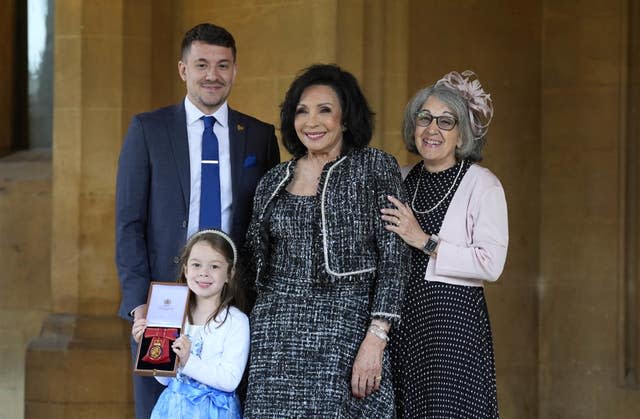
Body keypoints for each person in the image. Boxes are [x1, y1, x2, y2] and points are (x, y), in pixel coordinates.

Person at [115, 23, 279, 419]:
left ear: (235, 71)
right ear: (182, 69)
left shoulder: (258, 136)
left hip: (232, 299)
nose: (213, 75)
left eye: (223, 65)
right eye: (202, 64)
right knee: (161, 406)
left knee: (228, 403)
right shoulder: (148, 130)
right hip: (164, 301)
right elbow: (129, 223)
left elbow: (268, 224)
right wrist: (139, 303)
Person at [241, 64, 409, 417]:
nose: (311, 122)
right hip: (274, 339)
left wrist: (376, 338)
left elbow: (395, 259)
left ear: (346, 119)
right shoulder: (272, 180)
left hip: (345, 336)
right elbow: (252, 267)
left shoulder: (375, 168)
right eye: (301, 111)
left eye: (324, 110)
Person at [381, 70, 508, 418]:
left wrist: (424, 241)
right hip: (404, 321)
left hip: (453, 325)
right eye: (424, 118)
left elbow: (491, 263)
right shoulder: (401, 178)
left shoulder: (483, 185)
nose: (432, 129)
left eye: (445, 121)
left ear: (461, 134)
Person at [132, 229, 250, 418]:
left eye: (214, 266)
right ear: (186, 270)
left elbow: (230, 380)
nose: (204, 273)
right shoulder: (172, 315)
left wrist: (188, 360)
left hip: (214, 412)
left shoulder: (236, 321)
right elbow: (163, 380)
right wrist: (148, 345)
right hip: (172, 410)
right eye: (196, 264)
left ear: (230, 273)